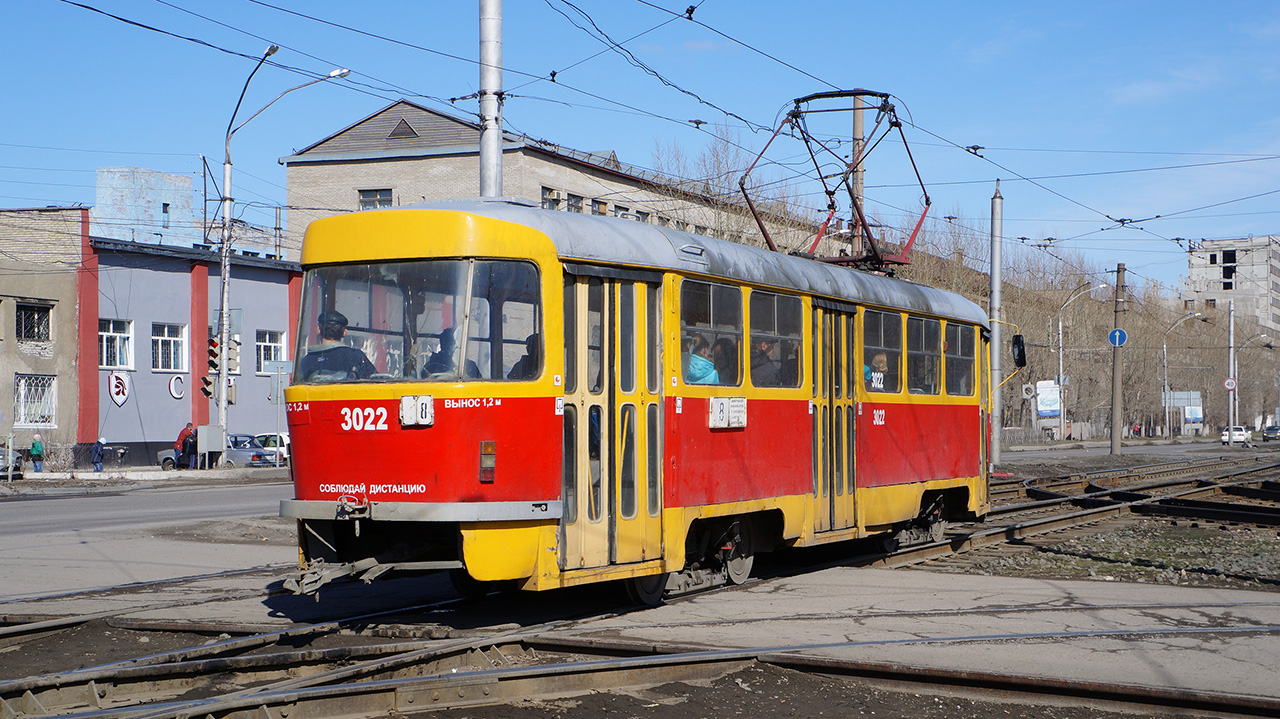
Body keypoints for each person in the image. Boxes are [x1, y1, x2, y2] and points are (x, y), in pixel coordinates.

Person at [297, 310, 376, 382]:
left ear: (318, 329)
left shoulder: (306, 361)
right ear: (344, 332)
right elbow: (375, 381)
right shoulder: (356, 356)